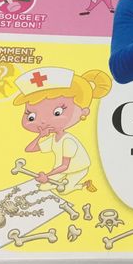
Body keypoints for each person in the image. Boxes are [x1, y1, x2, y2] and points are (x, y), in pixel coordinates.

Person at [13, 66, 112, 194]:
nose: (43, 121)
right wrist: (40, 136)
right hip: (61, 168)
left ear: (83, 112)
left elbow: (65, 165)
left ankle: (83, 185)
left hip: (77, 168)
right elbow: (30, 149)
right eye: (31, 116)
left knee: (64, 191)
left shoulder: (68, 141)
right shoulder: (53, 139)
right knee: (43, 187)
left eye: (57, 112)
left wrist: (47, 175)